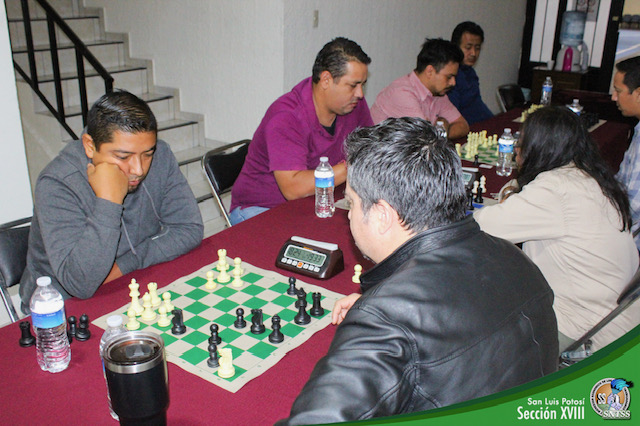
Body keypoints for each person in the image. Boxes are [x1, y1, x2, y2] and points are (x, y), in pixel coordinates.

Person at [278, 117, 558, 425]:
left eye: (352, 203)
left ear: (382, 215)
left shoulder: (385, 318)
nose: (348, 216)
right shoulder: (518, 258)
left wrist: (383, 311)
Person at [19, 90, 204, 311]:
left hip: (132, 281)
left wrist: (128, 263)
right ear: (90, 146)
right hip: (61, 306)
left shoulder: (160, 154)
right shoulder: (57, 183)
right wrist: (109, 201)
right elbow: (80, 284)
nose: (138, 169)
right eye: (123, 157)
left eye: (147, 154)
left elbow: (189, 228)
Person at [474, 106, 638, 353]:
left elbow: (481, 225)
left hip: (584, 330)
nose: (517, 149)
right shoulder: (586, 175)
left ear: (538, 148)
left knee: (480, 309)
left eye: (521, 142)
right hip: (614, 316)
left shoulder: (556, 189)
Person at [230, 37, 373, 224]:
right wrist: (352, 166)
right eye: (353, 85)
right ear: (326, 80)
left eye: (362, 84)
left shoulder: (354, 105)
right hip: (262, 208)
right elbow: (293, 188)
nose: (360, 94)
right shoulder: (286, 116)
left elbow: (371, 149)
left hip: (317, 200)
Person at [370, 38, 469, 139]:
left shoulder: (438, 94)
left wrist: (442, 133)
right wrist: (440, 129)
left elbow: (463, 126)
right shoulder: (401, 93)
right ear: (430, 71)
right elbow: (425, 138)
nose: (453, 83)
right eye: (449, 77)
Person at [613, 56, 640, 252]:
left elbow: (634, 206)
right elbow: (621, 179)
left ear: (638, 94)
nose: (614, 97)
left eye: (618, 91)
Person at [447, 21, 494, 125]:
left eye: (477, 48)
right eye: (468, 48)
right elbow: (453, 116)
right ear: (456, 47)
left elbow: (477, 105)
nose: (473, 53)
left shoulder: (470, 72)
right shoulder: (450, 76)